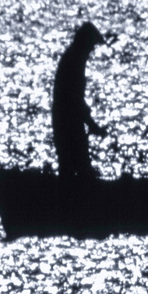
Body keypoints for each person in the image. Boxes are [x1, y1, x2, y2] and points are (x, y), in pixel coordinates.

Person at [52, 23, 108, 179]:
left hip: (68, 120)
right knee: (79, 169)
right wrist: (92, 125)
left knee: (72, 168)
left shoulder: (74, 59)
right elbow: (74, 100)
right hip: (67, 123)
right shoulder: (73, 62)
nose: (91, 50)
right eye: (91, 45)